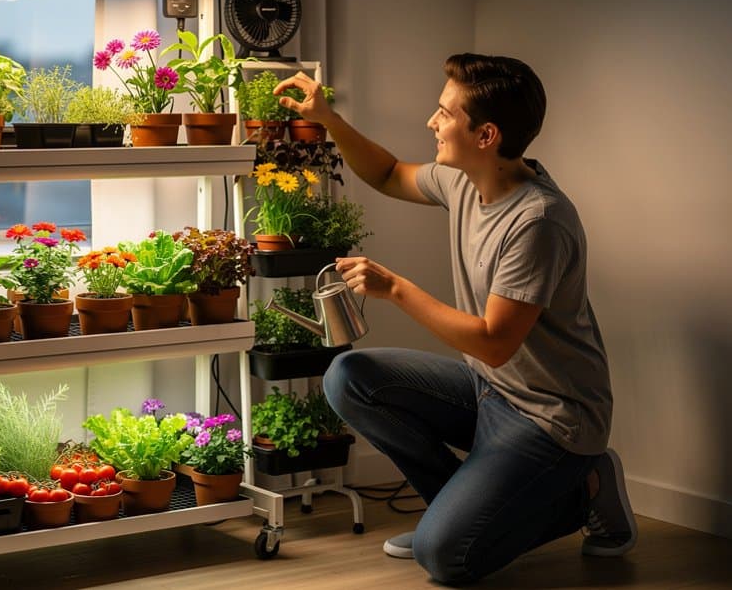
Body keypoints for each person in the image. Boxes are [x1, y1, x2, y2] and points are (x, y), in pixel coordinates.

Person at [273, 54, 637, 585]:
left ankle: (585, 491)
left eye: (444, 113)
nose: (431, 122)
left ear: (486, 135)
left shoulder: (537, 222)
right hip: (489, 390)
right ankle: (454, 513)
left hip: (550, 419)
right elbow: (388, 172)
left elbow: (494, 343)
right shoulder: (464, 180)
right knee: (349, 379)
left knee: (446, 558)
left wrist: (394, 287)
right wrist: (328, 119)